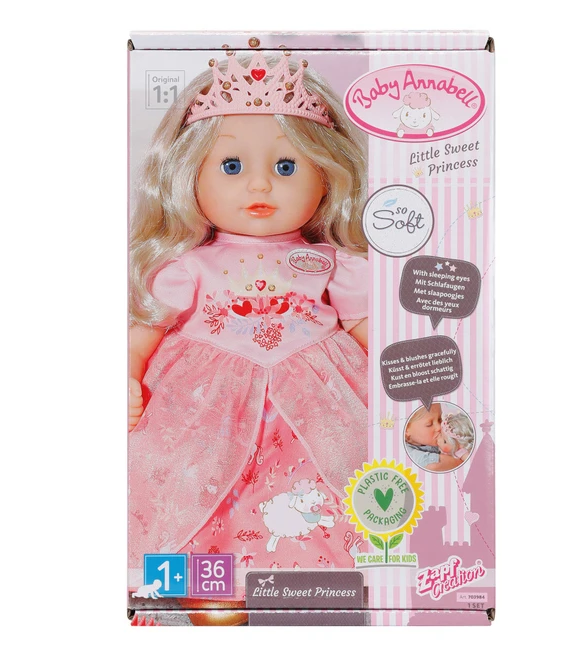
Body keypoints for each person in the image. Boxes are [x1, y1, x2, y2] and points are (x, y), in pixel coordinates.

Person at [128, 52, 369, 585]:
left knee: (333, 477)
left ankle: (314, 580)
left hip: (318, 402)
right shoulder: (186, 266)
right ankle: (200, 584)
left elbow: (369, 334)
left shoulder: (333, 263)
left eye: (285, 167)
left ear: (326, 178)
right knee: (194, 484)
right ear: (189, 176)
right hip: (206, 406)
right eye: (232, 167)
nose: (259, 186)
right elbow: (143, 333)